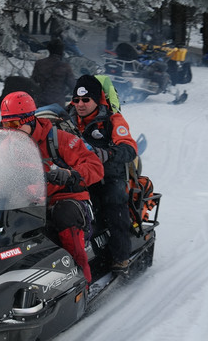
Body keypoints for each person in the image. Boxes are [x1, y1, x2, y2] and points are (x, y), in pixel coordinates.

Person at [0, 91, 104, 284]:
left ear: (30, 119)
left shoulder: (59, 139)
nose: (10, 131)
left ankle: (82, 280)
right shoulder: (7, 145)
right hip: (28, 201)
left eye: (14, 124)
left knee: (66, 218)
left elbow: (95, 166)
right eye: (6, 125)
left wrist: (71, 174)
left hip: (64, 198)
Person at [66, 75, 138, 275]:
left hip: (108, 177)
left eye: (86, 100)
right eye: (76, 100)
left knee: (114, 205)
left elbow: (130, 148)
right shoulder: (66, 118)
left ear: (97, 100)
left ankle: (121, 257)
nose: (80, 104)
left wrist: (108, 153)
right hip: (78, 175)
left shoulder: (112, 120)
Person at [31, 38, 76, 108]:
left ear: (49, 49)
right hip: (57, 103)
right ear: (61, 51)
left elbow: (33, 81)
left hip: (41, 102)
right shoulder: (65, 67)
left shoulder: (39, 64)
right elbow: (73, 86)